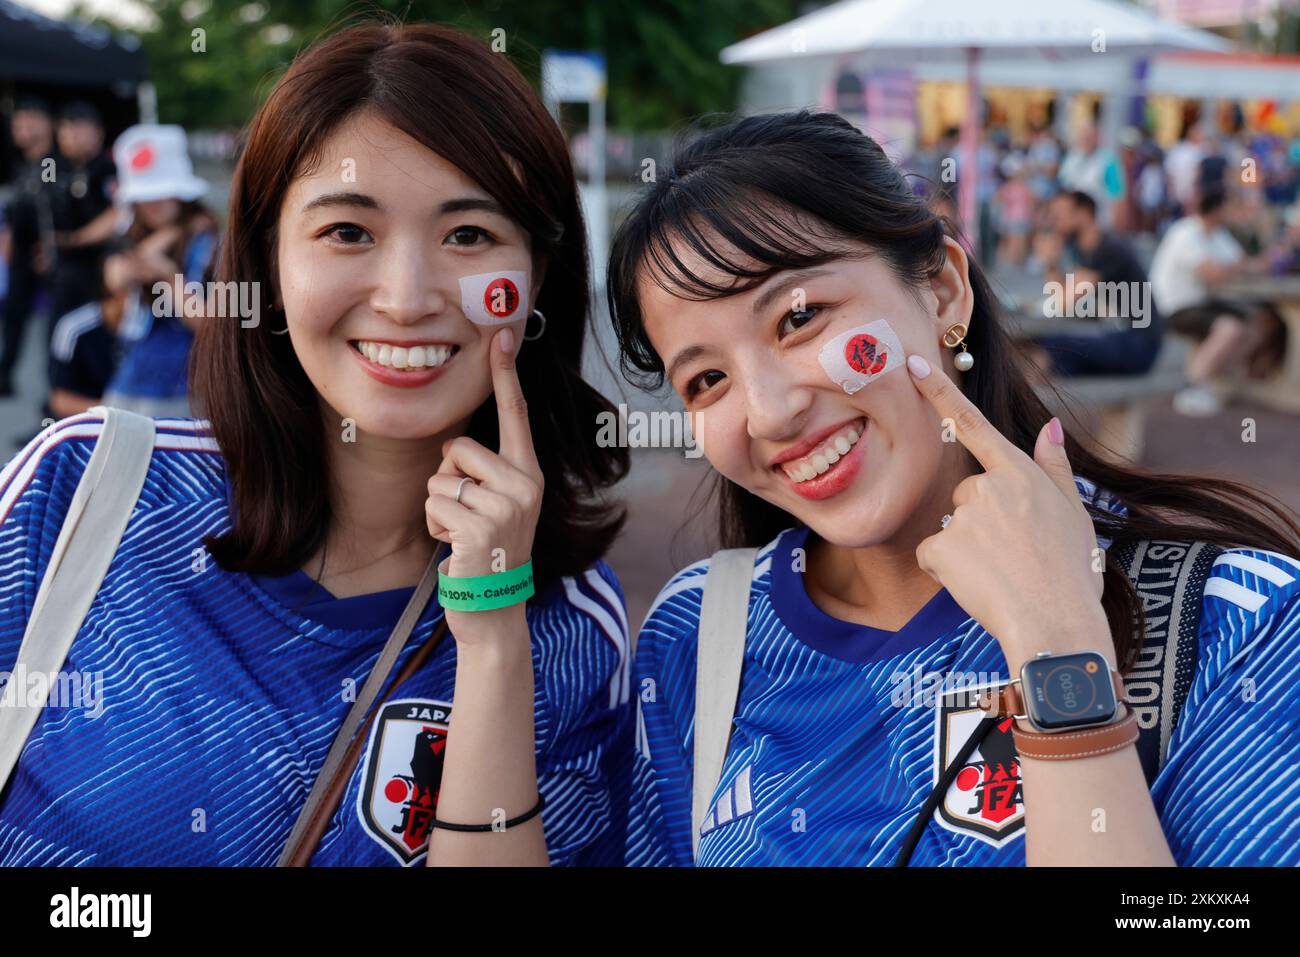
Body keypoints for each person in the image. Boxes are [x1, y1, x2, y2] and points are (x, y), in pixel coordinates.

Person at [0, 22, 632, 867]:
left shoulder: (576, 631)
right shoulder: (80, 492)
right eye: (347, 232)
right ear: (266, 260)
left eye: (469, 235)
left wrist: (491, 635)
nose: (406, 299)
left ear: (539, 276)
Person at [607, 111, 1300, 866]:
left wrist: (1060, 652)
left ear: (941, 292)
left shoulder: (1238, 620)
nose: (771, 411)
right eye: (708, 379)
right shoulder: (695, 638)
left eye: (799, 317)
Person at [98, 124, 218, 417]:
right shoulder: (132, 236)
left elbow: (212, 328)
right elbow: (113, 282)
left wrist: (168, 278)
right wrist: (162, 242)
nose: (152, 203)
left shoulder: (212, 244)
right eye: (144, 195)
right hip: (129, 381)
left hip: (189, 390)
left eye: (162, 192)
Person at [1149, 188, 1279, 416]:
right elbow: (1214, 273)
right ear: (1217, 211)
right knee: (1230, 328)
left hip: (1200, 302)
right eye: (1228, 208)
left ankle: (1217, 379)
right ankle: (1191, 387)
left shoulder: (1218, 234)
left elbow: (1251, 263)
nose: (1232, 213)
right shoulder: (1185, 232)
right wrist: (1238, 266)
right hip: (1171, 307)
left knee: (1259, 323)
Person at [1031, 190, 1162, 377]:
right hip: (1121, 337)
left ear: (1084, 213)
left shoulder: (1110, 248)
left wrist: (1050, 260)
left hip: (1138, 344)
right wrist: (1050, 263)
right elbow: (1060, 296)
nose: (1055, 223)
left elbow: (1063, 301)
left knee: (1050, 347)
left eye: (1059, 215)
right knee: (1052, 354)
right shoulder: (1087, 250)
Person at [44, 101, 117, 365]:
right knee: (56, 332)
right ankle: (57, 391)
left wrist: (76, 239)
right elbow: (44, 201)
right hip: (62, 266)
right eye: (64, 129)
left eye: (77, 129)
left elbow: (118, 214)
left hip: (98, 265)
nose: (69, 135)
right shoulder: (54, 166)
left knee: (92, 334)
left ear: (97, 131)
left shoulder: (108, 168)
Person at [0, 96, 57, 397]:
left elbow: (51, 210)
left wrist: (50, 247)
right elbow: (15, 209)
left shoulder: (52, 163)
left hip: (45, 255)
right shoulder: (23, 165)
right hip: (21, 255)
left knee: (53, 328)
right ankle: (5, 376)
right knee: (14, 317)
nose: (20, 129)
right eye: (17, 123)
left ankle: (54, 398)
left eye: (28, 122)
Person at [45, 256, 127, 418]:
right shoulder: (74, 328)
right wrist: (117, 412)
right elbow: (60, 399)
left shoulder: (157, 327)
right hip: (89, 422)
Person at [1058, 123, 1124, 229]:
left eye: (1090, 136)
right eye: (1083, 136)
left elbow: (1116, 194)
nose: (1086, 139)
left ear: (1098, 138)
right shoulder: (1071, 158)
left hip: (1098, 220)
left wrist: (1116, 221)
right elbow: (1063, 186)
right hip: (1071, 219)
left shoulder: (1108, 160)